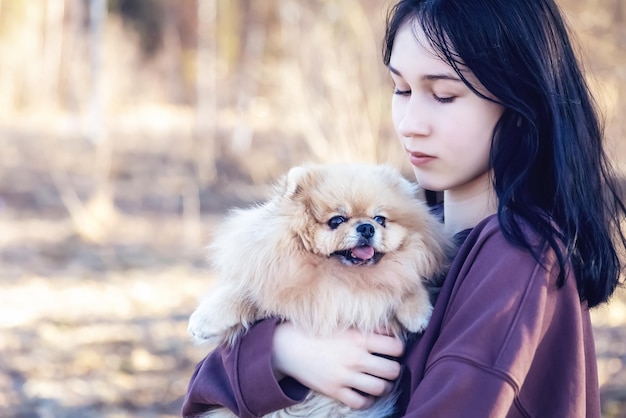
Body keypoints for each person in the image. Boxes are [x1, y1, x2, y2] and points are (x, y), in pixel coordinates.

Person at [182, 0, 626, 416]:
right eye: (400, 89)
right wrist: (283, 349)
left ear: (518, 102)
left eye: (444, 95)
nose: (410, 125)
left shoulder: (518, 255)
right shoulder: (422, 243)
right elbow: (203, 396)